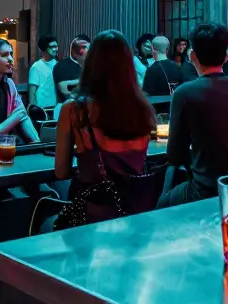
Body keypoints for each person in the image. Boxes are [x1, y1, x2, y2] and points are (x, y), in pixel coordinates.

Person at [54, 31, 154, 225]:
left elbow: (61, 171)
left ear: (91, 64)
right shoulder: (142, 108)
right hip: (135, 215)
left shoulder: (75, 110)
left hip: (91, 219)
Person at [158, 24, 228, 208]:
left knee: (162, 202)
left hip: (207, 192)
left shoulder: (184, 94)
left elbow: (174, 155)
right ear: (226, 57)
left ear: (192, 57)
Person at [27, 35, 59, 111]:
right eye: (51, 47)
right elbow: (32, 92)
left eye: (56, 46)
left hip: (57, 108)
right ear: (43, 49)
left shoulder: (58, 65)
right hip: (42, 108)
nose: (55, 49)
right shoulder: (36, 67)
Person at [54, 36, 88, 104]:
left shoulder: (90, 65)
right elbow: (63, 90)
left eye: (87, 48)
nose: (85, 50)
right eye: (82, 47)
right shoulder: (62, 66)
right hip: (69, 107)